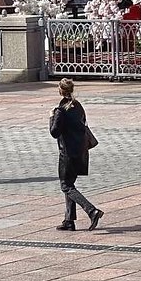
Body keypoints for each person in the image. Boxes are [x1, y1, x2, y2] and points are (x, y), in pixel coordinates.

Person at [49, 78, 104, 231]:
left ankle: (91, 211)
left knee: (66, 186)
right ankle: (69, 220)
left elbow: (54, 132)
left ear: (60, 91)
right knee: (70, 185)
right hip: (81, 151)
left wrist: (51, 116)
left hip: (67, 153)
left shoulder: (60, 111)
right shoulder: (78, 106)